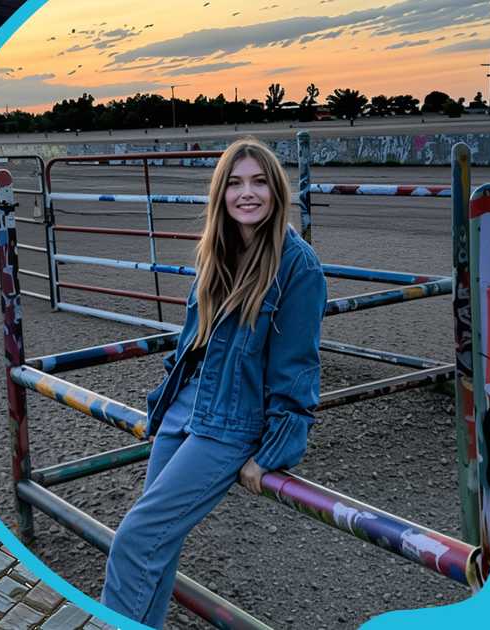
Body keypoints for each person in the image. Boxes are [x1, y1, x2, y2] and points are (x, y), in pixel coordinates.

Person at [101, 138, 327, 627]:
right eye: (236, 183)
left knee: (137, 538)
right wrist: (163, 405)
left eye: (259, 182)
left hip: (228, 425)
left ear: (276, 191)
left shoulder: (298, 266)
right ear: (221, 193)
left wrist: (270, 454)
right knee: (157, 547)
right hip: (185, 408)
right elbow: (190, 343)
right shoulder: (216, 253)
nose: (248, 194)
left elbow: (298, 367)